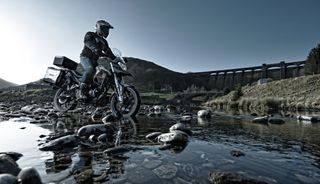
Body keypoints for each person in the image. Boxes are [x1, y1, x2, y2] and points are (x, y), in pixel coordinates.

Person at [79, 20, 116, 99]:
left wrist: (117, 59)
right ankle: (81, 91)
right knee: (90, 69)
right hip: (85, 57)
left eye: (108, 29)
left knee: (100, 76)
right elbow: (87, 42)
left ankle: (95, 94)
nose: (107, 31)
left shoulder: (104, 42)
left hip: (94, 61)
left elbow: (108, 51)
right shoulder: (90, 34)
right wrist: (95, 48)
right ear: (99, 27)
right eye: (106, 29)